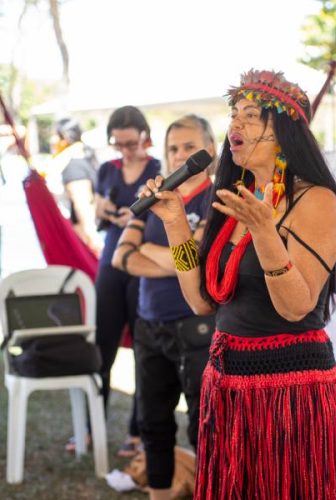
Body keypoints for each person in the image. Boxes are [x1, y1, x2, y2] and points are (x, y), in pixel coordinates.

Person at [139, 69, 336, 499]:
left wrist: (264, 234)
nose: (235, 126)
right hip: (229, 384)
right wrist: (174, 225)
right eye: (234, 115)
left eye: (251, 115)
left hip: (293, 391)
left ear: (282, 132)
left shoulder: (315, 200)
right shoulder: (234, 200)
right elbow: (203, 301)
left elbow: (297, 306)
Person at [112, 114, 216, 499]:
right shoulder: (152, 196)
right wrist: (174, 256)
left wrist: (154, 252)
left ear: (210, 150)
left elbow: (196, 260)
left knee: (204, 426)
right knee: (154, 424)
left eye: (190, 147)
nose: (180, 156)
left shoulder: (216, 199)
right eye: (174, 148)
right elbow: (121, 258)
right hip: (149, 325)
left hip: (196, 326)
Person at [84, 106, 161, 456]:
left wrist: (125, 214)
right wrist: (118, 212)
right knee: (102, 346)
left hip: (142, 263)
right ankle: (91, 427)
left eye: (130, 143)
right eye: (118, 144)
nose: (125, 150)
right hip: (110, 264)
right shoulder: (106, 169)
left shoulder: (158, 169)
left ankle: (137, 431)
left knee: (143, 350)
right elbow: (98, 208)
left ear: (144, 137)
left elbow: (153, 213)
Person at [51, 117, 102, 256]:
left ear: (65, 138)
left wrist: (92, 240)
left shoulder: (73, 166)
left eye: (55, 135)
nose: (52, 140)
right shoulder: (82, 158)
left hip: (85, 238)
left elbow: (83, 205)